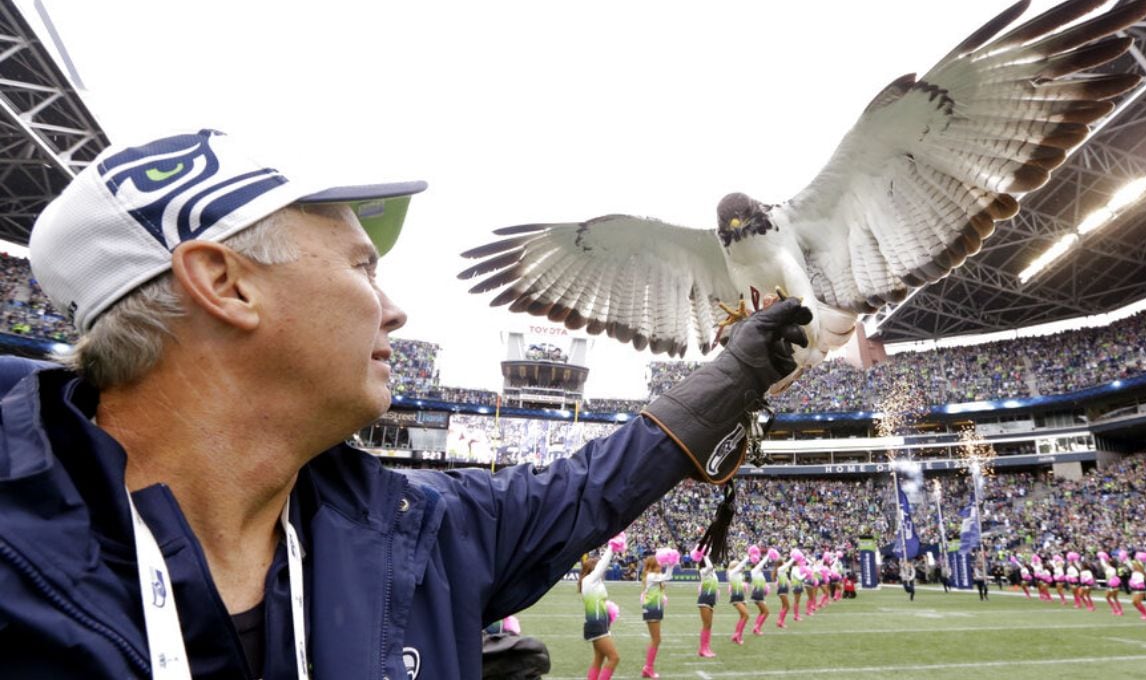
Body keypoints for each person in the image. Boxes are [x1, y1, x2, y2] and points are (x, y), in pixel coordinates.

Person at [0, 129, 815, 679]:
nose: (393, 312)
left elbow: (581, 492)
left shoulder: (413, 528)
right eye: (362, 268)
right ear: (224, 282)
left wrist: (734, 378)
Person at [581, 536, 625, 680]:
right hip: (597, 624)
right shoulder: (589, 581)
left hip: (600, 623)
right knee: (614, 658)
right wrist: (612, 546)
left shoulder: (594, 583)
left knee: (598, 659)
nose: (603, 572)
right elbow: (603, 565)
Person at [639, 549, 677, 678]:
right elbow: (668, 576)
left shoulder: (653, 576)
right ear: (653, 565)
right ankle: (648, 668)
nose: (661, 565)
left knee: (656, 639)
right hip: (652, 609)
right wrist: (671, 564)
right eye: (659, 563)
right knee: (656, 639)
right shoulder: (651, 576)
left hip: (655, 608)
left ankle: (648, 668)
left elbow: (665, 579)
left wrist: (670, 563)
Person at [692, 546, 718, 658]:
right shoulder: (703, 571)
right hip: (704, 600)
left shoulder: (713, 573)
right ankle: (702, 649)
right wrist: (704, 554)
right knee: (706, 625)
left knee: (709, 625)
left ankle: (706, 648)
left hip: (711, 600)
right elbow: (710, 566)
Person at [726, 552, 751, 645]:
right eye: (738, 566)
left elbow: (741, 583)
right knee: (746, 615)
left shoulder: (739, 575)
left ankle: (736, 636)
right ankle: (738, 636)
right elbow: (740, 565)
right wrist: (746, 558)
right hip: (735, 597)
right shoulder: (732, 573)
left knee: (743, 616)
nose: (741, 568)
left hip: (741, 597)